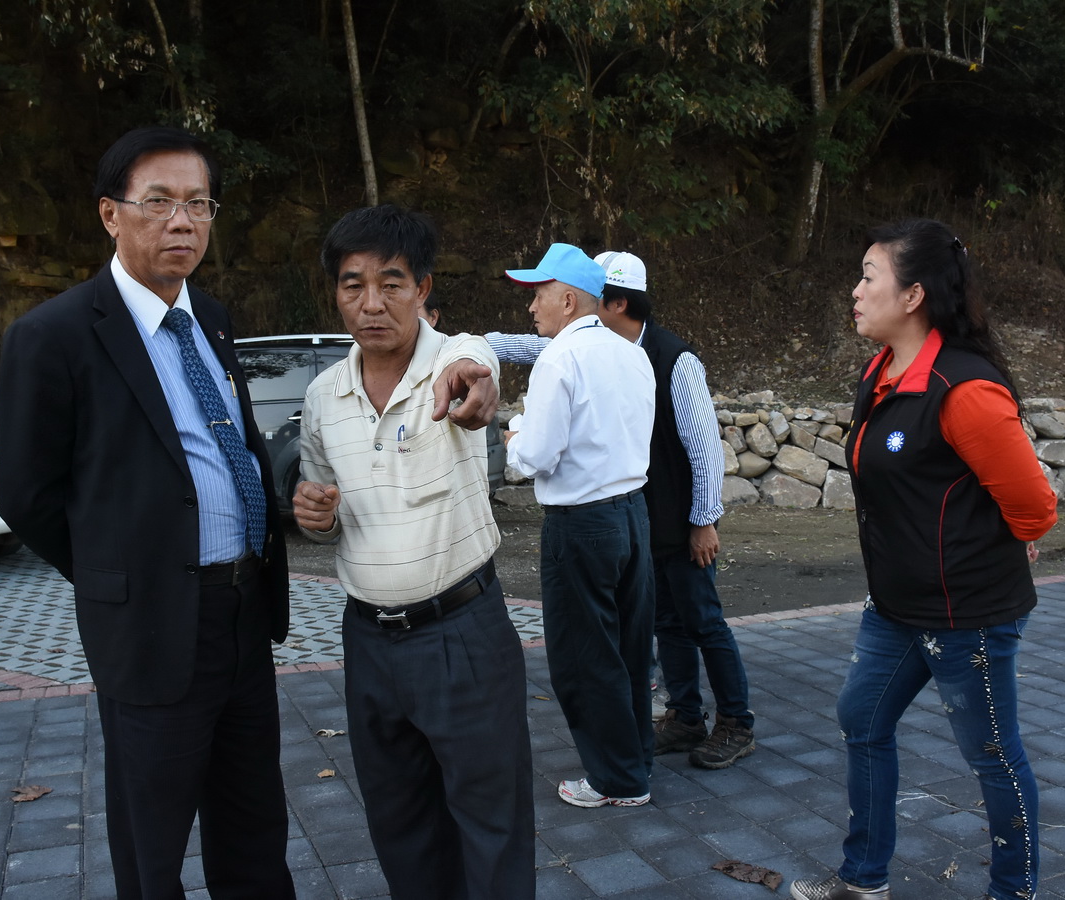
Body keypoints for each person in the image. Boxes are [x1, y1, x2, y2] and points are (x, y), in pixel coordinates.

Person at [0, 126, 296, 900]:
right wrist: (119, 576)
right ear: (109, 214)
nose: (182, 222)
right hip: (152, 625)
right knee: (152, 838)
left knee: (254, 821)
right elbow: (25, 495)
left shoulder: (214, 319)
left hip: (242, 609)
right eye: (157, 202)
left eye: (199, 204)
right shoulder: (54, 336)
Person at [789, 219, 1057, 900]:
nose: (854, 291)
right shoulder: (880, 372)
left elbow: (1033, 505)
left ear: (911, 296)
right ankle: (862, 879)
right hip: (897, 606)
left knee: (991, 752)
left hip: (966, 612)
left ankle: (1012, 891)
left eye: (868, 276)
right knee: (862, 719)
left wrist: (1008, 538)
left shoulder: (964, 389)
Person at [293, 204, 533, 900]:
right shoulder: (322, 396)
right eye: (352, 285)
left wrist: (475, 372)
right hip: (369, 642)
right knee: (400, 824)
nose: (372, 304)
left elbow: (479, 353)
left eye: (391, 283)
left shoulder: (451, 368)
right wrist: (314, 518)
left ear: (422, 288)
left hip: (463, 633)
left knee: (492, 826)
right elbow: (323, 511)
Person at [489, 251, 756, 770]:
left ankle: (736, 722)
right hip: (638, 521)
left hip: (679, 521)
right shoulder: (605, 346)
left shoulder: (674, 359)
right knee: (665, 624)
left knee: (703, 620)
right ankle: (684, 716)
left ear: (615, 303)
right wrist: (467, 343)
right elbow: (532, 344)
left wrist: (705, 521)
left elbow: (704, 449)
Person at [503, 243, 657, 808]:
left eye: (538, 294)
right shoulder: (629, 351)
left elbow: (536, 456)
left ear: (567, 299)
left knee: (584, 654)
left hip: (582, 523)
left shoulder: (561, 359)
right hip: (632, 512)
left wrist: (512, 437)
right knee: (630, 647)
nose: (531, 307)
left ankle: (617, 780)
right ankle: (634, 759)